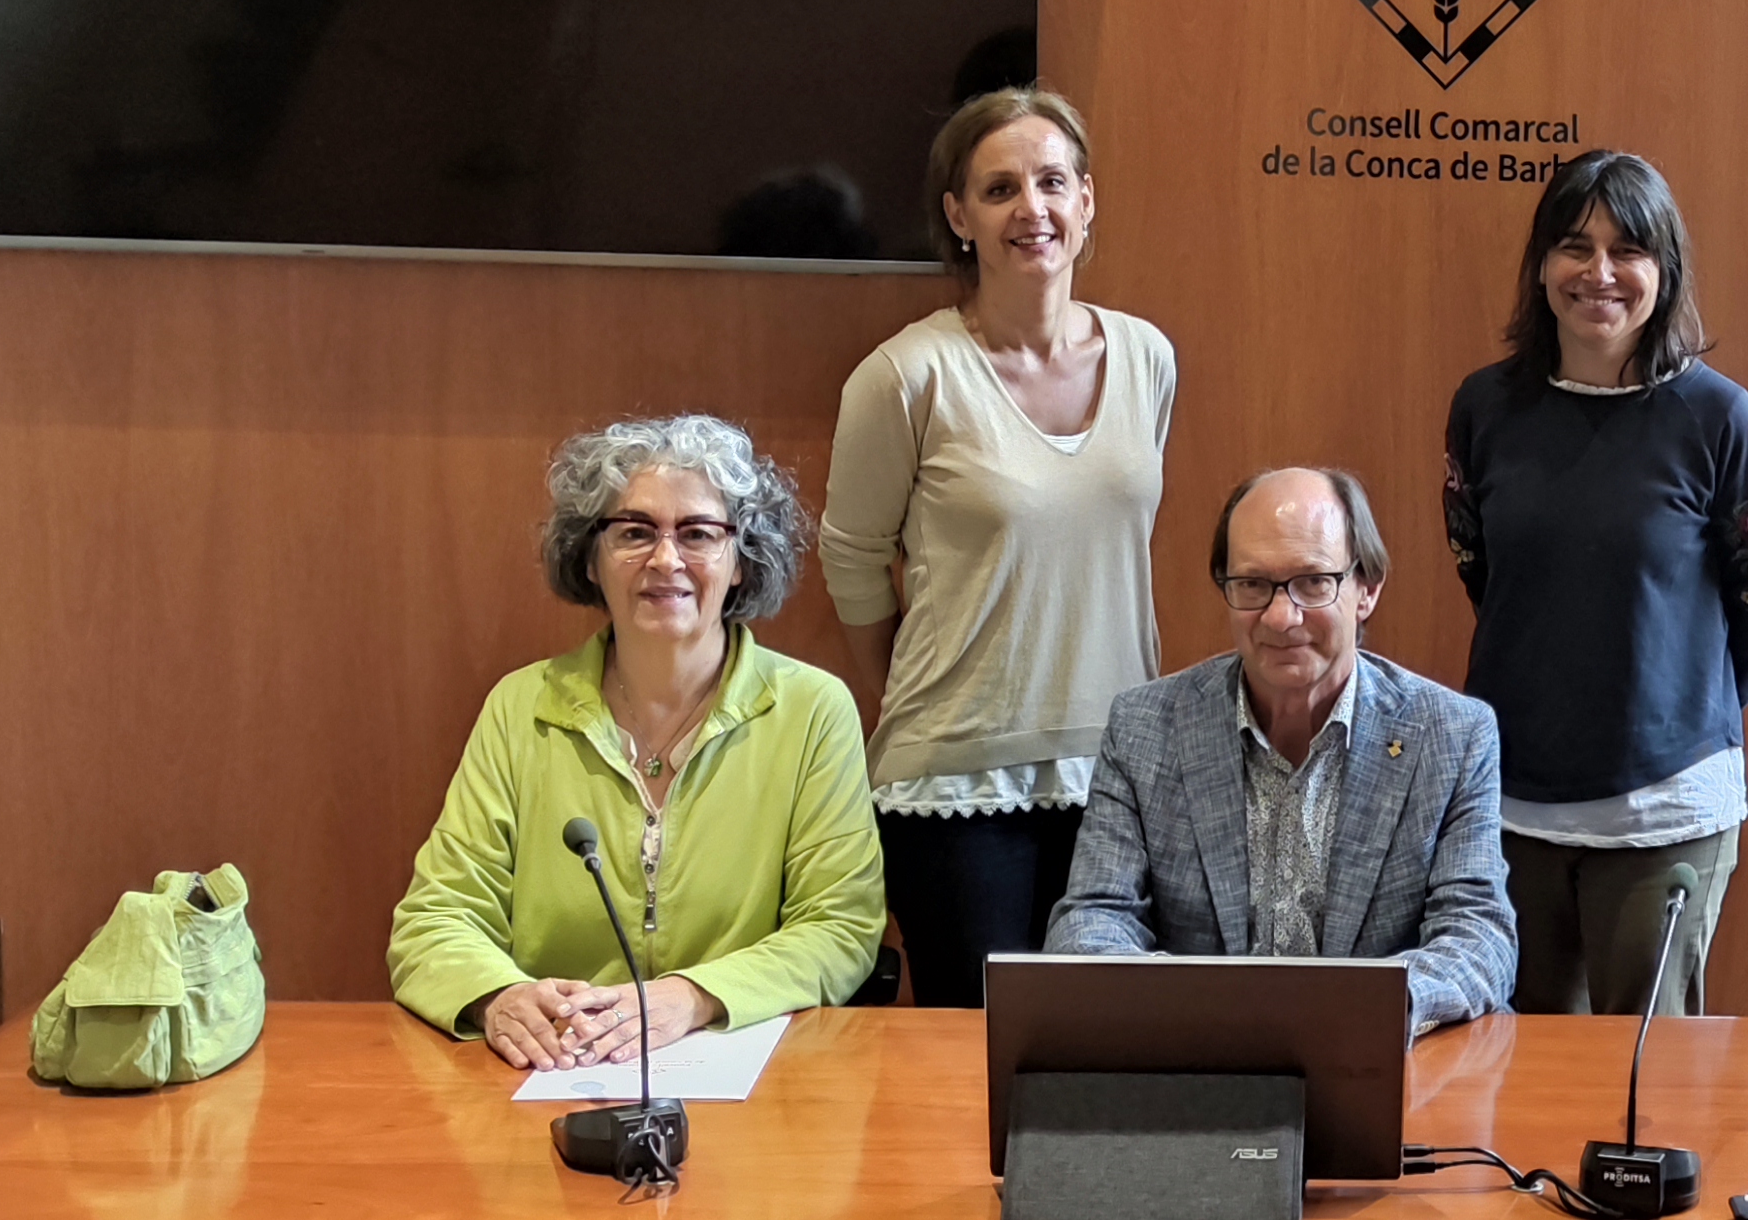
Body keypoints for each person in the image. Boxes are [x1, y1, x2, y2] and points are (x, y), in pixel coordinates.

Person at [821, 87, 1177, 1006]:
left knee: (1105, 1043)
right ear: (958, 216)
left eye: (1053, 182)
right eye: (1000, 189)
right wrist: (915, 687)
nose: (1033, 209)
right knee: (972, 1054)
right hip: (952, 785)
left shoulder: (1148, 357)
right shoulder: (905, 375)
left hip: (1117, 770)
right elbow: (851, 556)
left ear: (1086, 200)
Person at [389, 416, 886, 1068]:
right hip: (556, 1068)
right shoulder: (521, 708)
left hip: (752, 1073)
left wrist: (692, 997)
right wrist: (499, 997)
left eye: (699, 533)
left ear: (742, 560)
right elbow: (434, 920)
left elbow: (840, 927)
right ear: (590, 559)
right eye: (634, 531)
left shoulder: (811, 711)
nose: (666, 559)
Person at [1442, 152, 1748, 1015]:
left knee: (1646, 1074)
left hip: (1665, 815)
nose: (1598, 272)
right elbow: (1482, 569)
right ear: (1541, 265)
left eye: (1627, 250)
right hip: (1513, 806)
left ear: (1663, 270)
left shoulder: (1722, 419)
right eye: (1575, 245)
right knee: (1517, 1066)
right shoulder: (1484, 408)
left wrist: (1675, 700)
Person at [1048, 468, 1516, 1035]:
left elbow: (1478, 936)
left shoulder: (1452, 735)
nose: (1280, 616)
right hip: (1204, 1061)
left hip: (1383, 1058)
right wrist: (1199, 1012)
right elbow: (1091, 920)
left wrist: (1359, 1011)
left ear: (1367, 589)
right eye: (1252, 584)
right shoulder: (1145, 728)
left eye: (1313, 582)